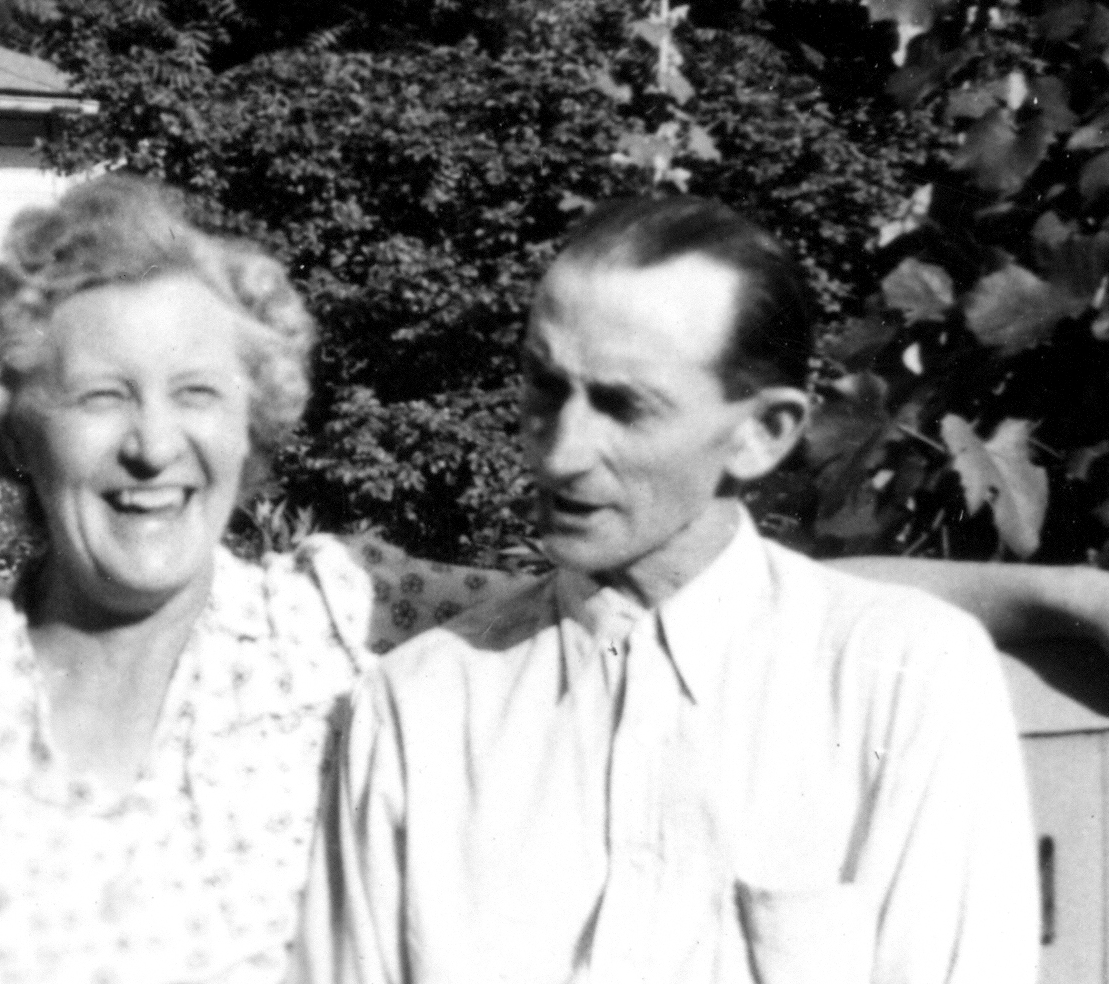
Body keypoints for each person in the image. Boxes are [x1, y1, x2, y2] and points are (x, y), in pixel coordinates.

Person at [0, 177, 1092, 984]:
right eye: (101, 396)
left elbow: (704, 596)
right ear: (11, 423)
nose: (153, 446)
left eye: (198, 393)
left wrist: (1046, 600)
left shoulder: (339, 623)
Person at [299, 196, 1041, 984]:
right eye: (545, 387)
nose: (561, 453)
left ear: (762, 433)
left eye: (625, 406)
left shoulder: (904, 679)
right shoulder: (415, 710)